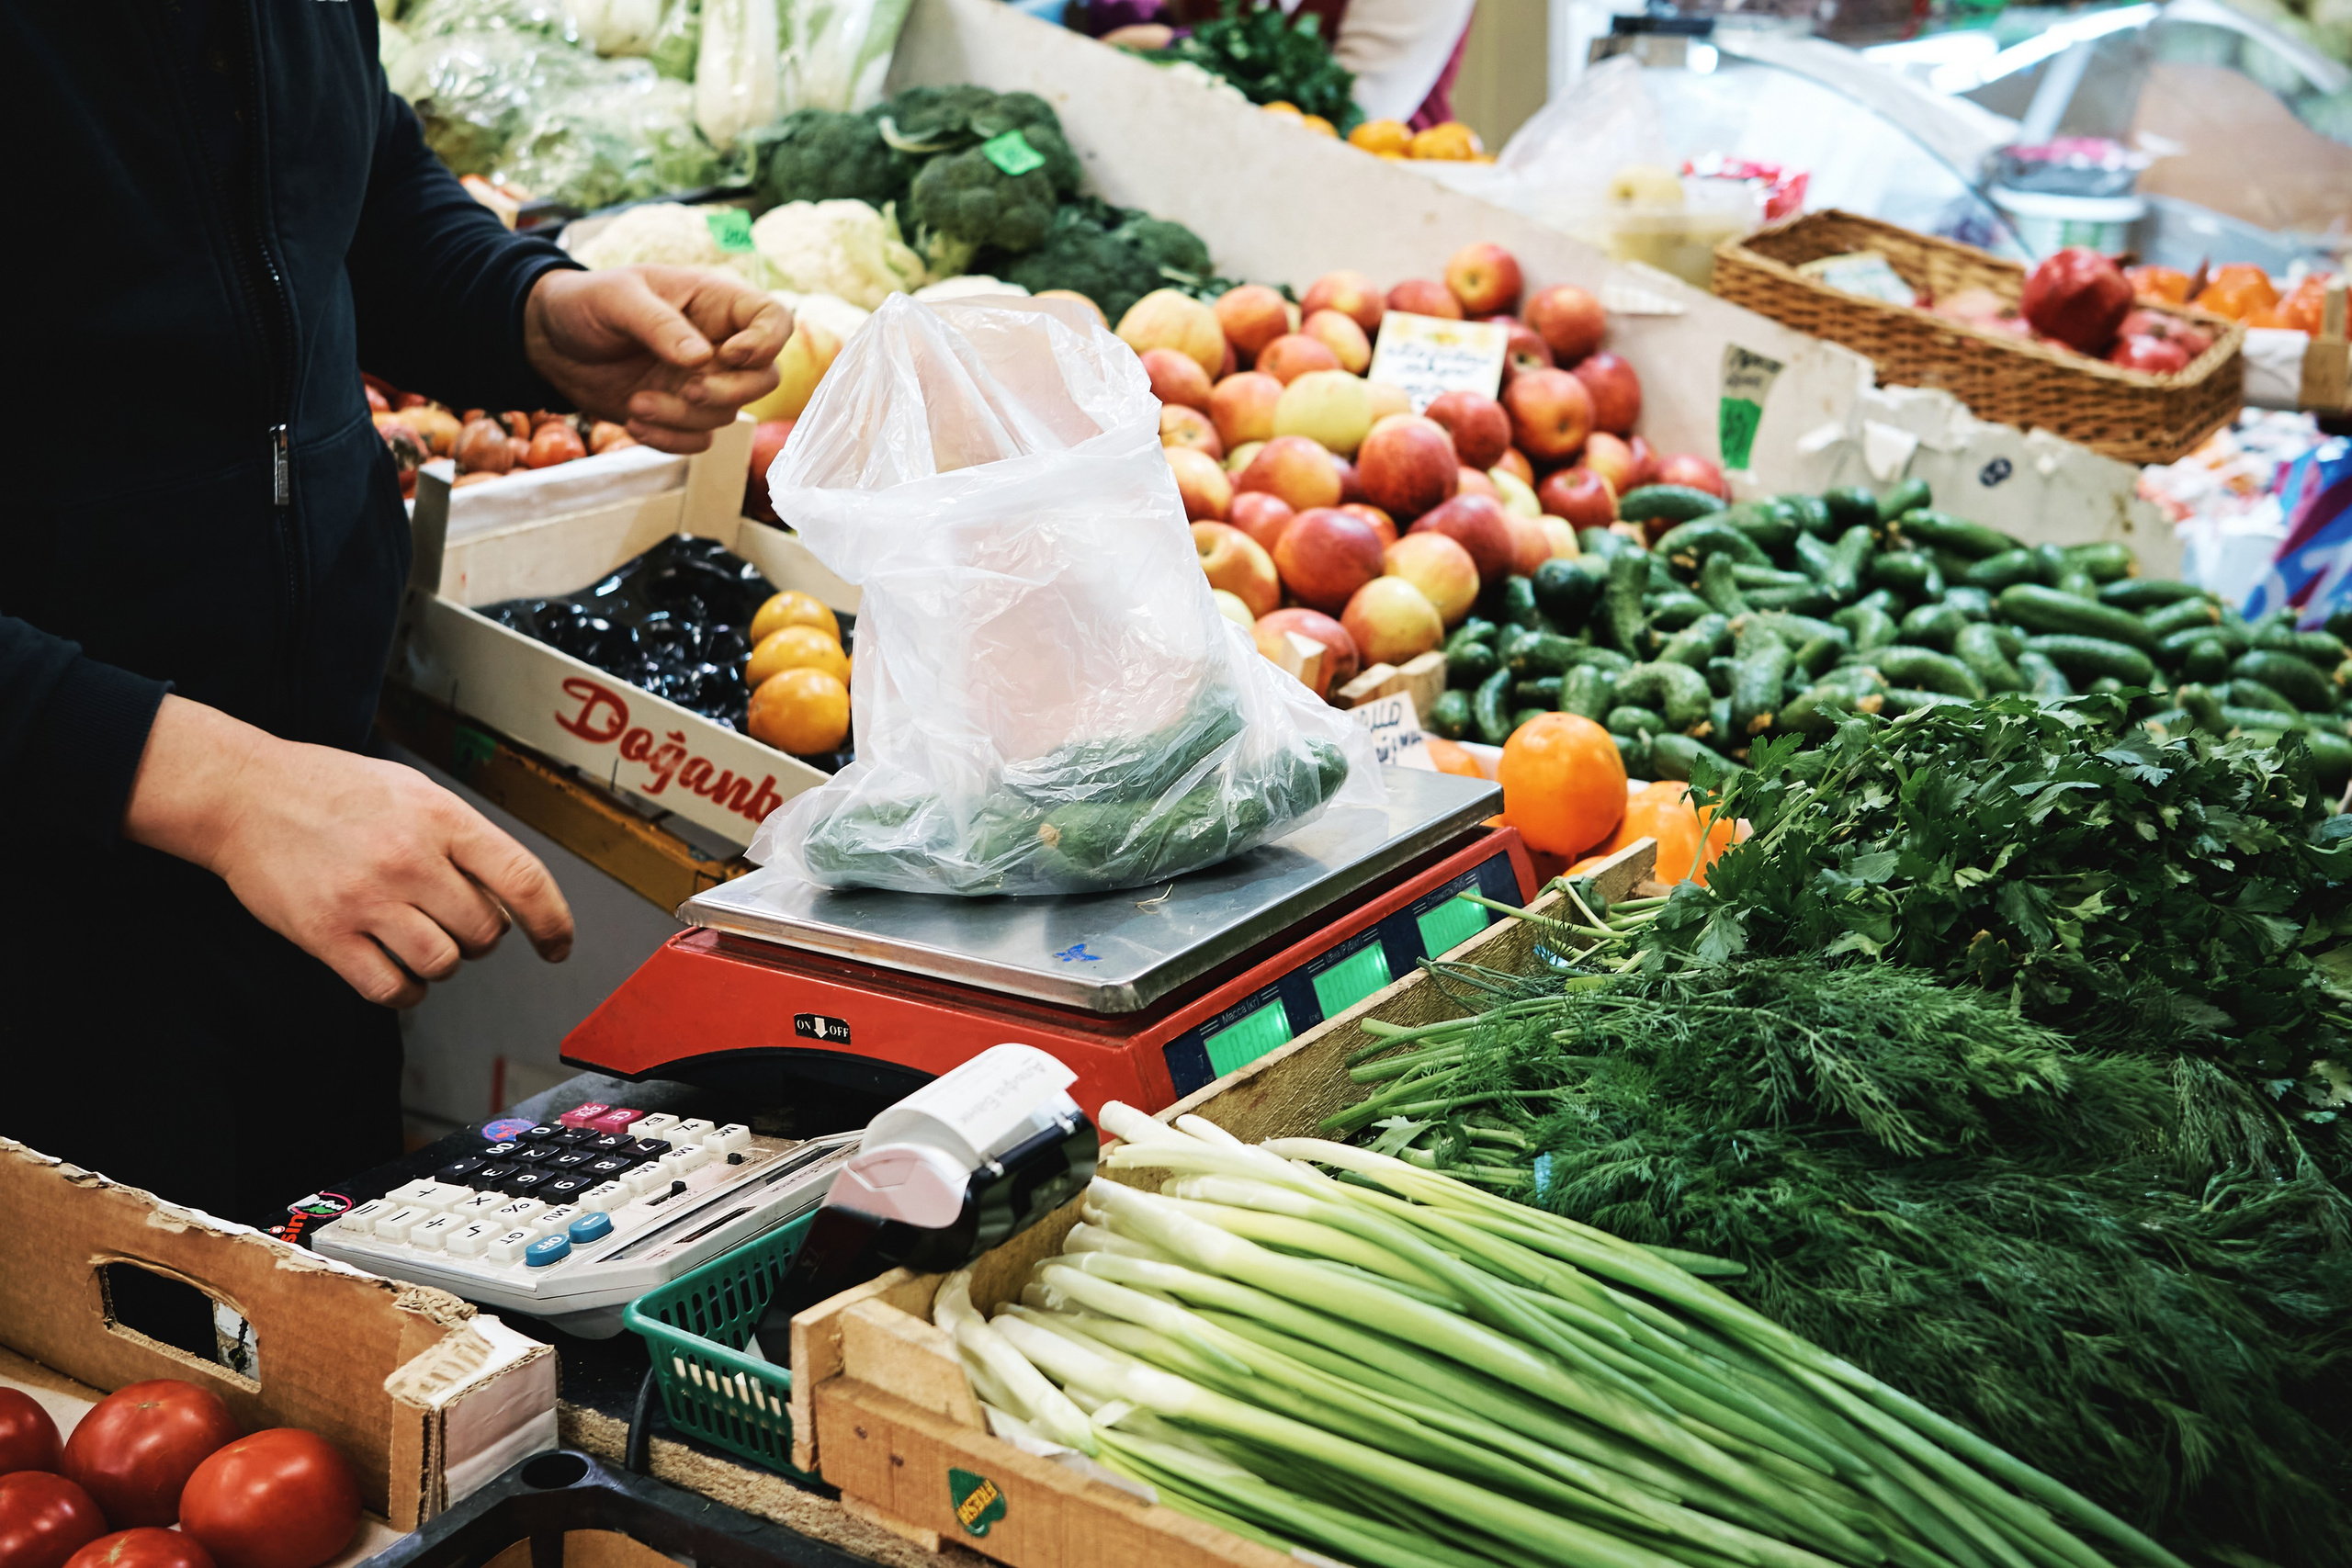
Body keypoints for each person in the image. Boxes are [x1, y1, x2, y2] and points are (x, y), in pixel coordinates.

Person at [0, 2, 787, 1226]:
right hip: (49, 904)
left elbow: (342, 181)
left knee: (310, 1330)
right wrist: (217, 787)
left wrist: (523, 310)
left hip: (307, 844)